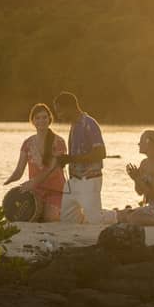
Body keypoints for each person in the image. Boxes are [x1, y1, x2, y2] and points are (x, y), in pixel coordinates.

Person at [2, 103, 67, 222]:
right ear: (32, 121)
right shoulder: (27, 143)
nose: (41, 120)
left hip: (56, 190)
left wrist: (33, 182)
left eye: (44, 117)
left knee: (50, 217)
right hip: (35, 192)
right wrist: (8, 181)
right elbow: (19, 171)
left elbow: (50, 169)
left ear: (50, 119)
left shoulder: (59, 142)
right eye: (37, 118)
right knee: (18, 212)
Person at [52, 91, 107, 224]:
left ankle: (121, 215)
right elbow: (75, 155)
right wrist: (65, 160)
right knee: (67, 220)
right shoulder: (74, 125)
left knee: (95, 220)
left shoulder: (90, 124)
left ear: (70, 107)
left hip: (89, 180)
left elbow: (101, 153)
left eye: (60, 111)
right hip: (73, 181)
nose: (58, 115)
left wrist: (70, 159)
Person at [113, 130, 154, 227]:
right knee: (120, 214)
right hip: (153, 208)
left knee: (134, 218)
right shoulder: (144, 163)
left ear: (148, 143)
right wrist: (135, 178)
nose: (139, 144)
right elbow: (139, 192)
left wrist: (138, 178)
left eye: (141, 141)